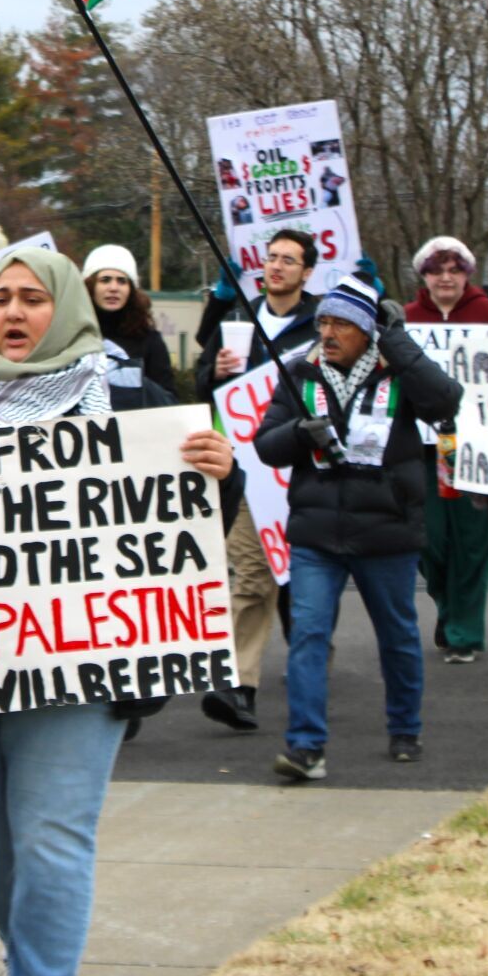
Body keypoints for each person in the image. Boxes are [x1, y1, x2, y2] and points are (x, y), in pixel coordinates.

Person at [0, 247, 239, 976]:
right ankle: (24, 967)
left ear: (69, 308)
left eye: (32, 298)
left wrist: (220, 474)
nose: (13, 313)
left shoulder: (129, 397)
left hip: (83, 662)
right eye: (0, 299)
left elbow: (184, 528)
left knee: (53, 828)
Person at [254, 276, 461, 781]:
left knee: (397, 635)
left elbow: (446, 401)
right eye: (323, 320)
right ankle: (305, 748)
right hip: (315, 534)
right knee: (308, 634)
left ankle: (405, 727)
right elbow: (265, 446)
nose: (328, 331)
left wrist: (398, 341)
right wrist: (300, 434)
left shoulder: (398, 374)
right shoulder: (301, 371)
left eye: (342, 323)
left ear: (368, 331)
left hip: (386, 530)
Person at [195, 229, 322, 733]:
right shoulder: (236, 320)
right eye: (271, 258)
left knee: (300, 583)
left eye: (289, 260)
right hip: (250, 471)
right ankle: (237, 686)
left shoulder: (319, 325)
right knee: (250, 573)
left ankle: (311, 664)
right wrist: (217, 370)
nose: (277, 267)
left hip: (305, 472)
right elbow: (203, 380)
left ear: (307, 272)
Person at [403, 236, 488, 663]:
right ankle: (449, 610)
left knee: (472, 542)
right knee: (427, 538)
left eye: (454, 269)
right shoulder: (406, 320)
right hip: (421, 452)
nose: (445, 277)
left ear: (467, 274)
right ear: (423, 275)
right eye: (436, 269)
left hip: (477, 452)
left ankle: (464, 632)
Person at [80, 244, 175, 395]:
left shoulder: (149, 340)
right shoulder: (73, 336)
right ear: (90, 286)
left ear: (131, 289)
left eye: (122, 281)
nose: (114, 288)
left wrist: (135, 382)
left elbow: (169, 399)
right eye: (105, 280)